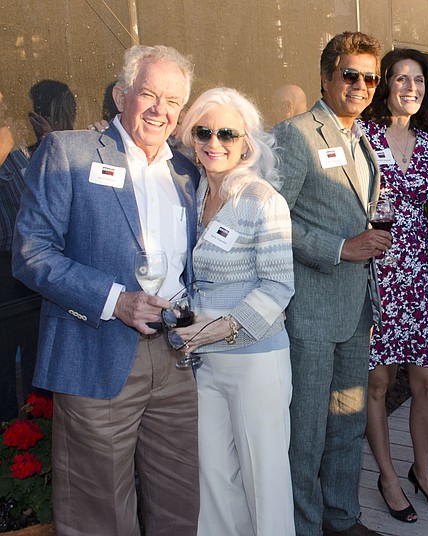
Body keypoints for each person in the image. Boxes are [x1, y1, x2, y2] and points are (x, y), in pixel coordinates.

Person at [12, 45, 200, 535]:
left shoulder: (187, 171)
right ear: (121, 96)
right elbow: (32, 253)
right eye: (149, 95)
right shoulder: (69, 152)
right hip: (96, 351)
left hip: (176, 355)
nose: (161, 110)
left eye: (174, 101)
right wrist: (115, 300)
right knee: (98, 510)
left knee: (179, 500)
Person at [272, 31, 389, 536]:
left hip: (356, 308)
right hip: (311, 311)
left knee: (348, 421)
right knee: (307, 433)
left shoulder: (361, 137)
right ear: (325, 76)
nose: (361, 85)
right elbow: (273, 220)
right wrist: (341, 248)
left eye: (370, 77)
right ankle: (305, 525)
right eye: (351, 75)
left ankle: (343, 519)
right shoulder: (296, 134)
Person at [172, 87, 295, 535]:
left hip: (255, 361)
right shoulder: (192, 193)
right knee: (216, 484)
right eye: (204, 131)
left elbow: (280, 284)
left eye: (227, 132)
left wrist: (216, 330)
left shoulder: (263, 199)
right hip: (204, 365)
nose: (214, 141)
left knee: (265, 484)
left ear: (246, 142)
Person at [358, 48, 428, 524]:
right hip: (376, 272)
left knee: (427, 382)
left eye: (417, 81)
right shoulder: (362, 136)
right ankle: (388, 476)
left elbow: (424, 211)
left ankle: (424, 471)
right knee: (378, 382)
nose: (410, 88)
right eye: (400, 79)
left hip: (416, 271)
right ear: (385, 86)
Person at [0, 91, 37, 423]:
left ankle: (32, 439)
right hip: (4, 282)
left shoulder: (17, 144)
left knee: (32, 369)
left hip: (27, 280)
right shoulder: (6, 142)